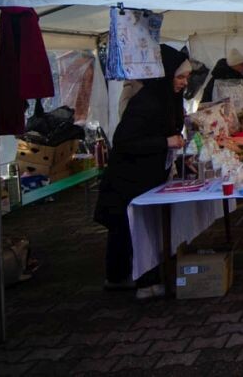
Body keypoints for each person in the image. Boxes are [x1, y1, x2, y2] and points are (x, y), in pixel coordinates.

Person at [95, 44, 191, 300]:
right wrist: (165, 142)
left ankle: (119, 278)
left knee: (128, 231)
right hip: (129, 178)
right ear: (165, 74)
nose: (183, 83)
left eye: (186, 78)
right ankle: (140, 282)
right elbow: (124, 142)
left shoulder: (168, 98)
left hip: (145, 176)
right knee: (132, 230)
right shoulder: (147, 101)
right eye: (180, 77)